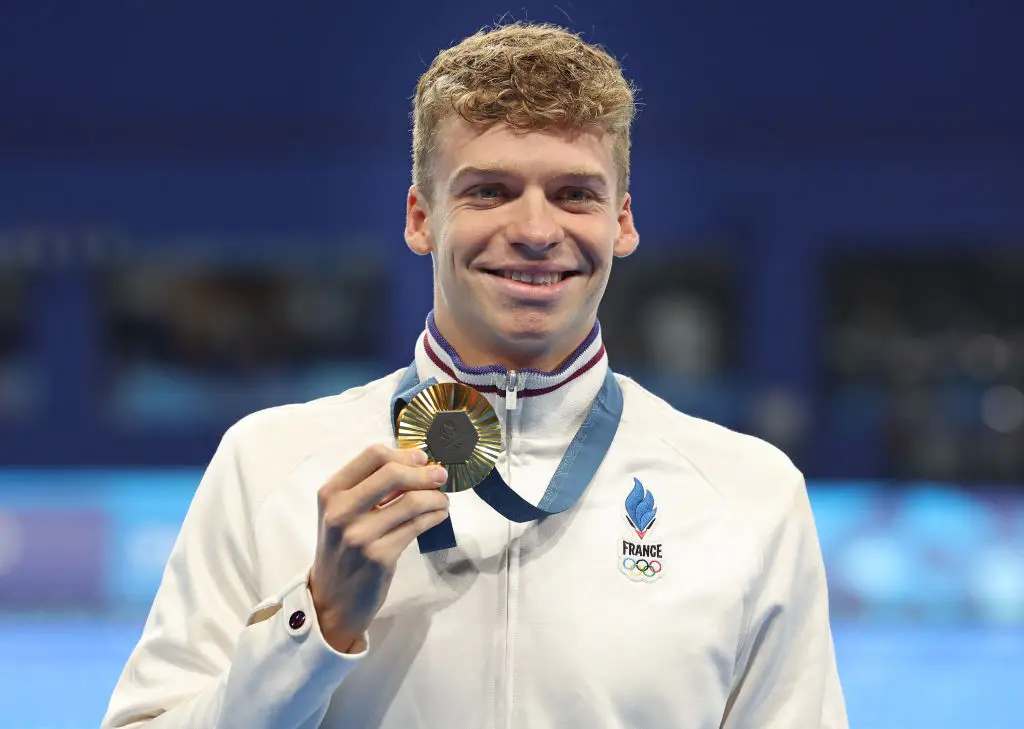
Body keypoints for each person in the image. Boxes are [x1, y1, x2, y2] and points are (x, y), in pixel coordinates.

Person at [102, 21, 848, 729]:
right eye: (487, 190)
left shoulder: (748, 493)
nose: (532, 231)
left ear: (621, 222)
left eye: (574, 193)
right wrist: (314, 621)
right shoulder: (268, 466)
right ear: (421, 217)